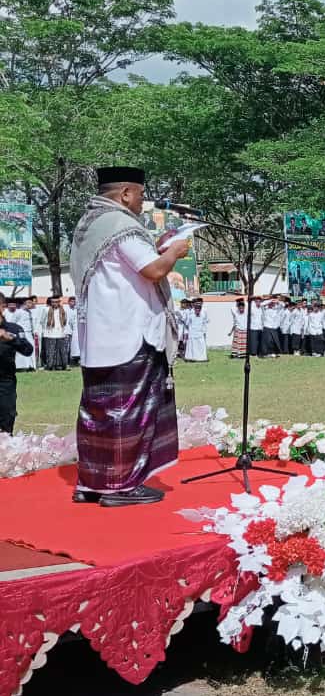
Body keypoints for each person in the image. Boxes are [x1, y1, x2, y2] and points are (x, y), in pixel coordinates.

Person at [69, 166, 188, 507]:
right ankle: (121, 486)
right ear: (124, 194)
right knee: (128, 411)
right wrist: (174, 252)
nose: (142, 201)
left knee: (98, 411)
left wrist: (158, 249)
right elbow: (153, 270)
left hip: (100, 334)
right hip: (130, 333)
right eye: (139, 194)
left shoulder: (90, 224)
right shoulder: (122, 226)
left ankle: (92, 482)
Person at [0, 302, 34, 434]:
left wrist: (11, 338)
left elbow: (28, 350)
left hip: (5, 382)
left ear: (2, 307)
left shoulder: (14, 329)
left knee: (6, 422)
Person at [41, 296, 72, 371]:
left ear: (59, 302)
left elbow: (66, 321)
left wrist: (66, 332)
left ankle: (62, 365)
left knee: (62, 351)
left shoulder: (63, 310)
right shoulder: (46, 309)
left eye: (56, 302)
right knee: (50, 351)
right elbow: (42, 321)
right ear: (51, 302)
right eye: (53, 302)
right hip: (50, 333)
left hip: (61, 333)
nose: (55, 303)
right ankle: (50, 366)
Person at [184, 298, 209, 362]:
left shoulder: (204, 311)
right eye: (197, 304)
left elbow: (206, 321)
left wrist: (204, 330)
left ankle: (201, 358)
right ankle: (192, 358)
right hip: (192, 332)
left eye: (199, 304)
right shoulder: (190, 312)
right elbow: (187, 323)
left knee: (201, 344)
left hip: (200, 331)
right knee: (192, 345)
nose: (198, 305)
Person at [66, 296, 81, 366]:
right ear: (68, 302)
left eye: (74, 301)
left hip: (75, 331)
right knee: (68, 347)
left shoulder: (76, 310)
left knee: (76, 346)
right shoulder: (66, 310)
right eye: (71, 301)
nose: (73, 303)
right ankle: (68, 361)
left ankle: (76, 360)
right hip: (68, 330)